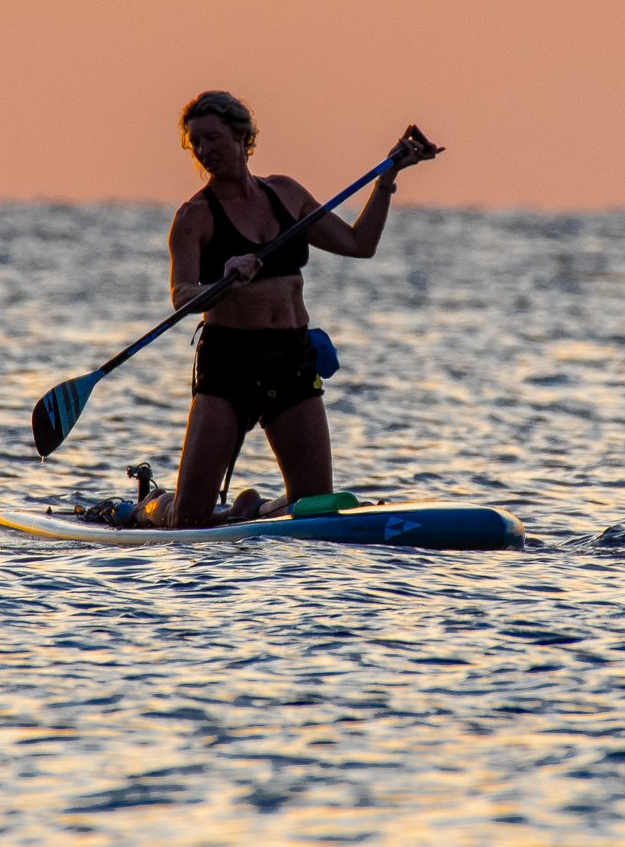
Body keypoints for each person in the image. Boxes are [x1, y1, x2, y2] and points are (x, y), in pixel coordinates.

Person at [133, 92, 437, 529]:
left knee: (314, 506)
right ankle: (156, 502)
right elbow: (182, 297)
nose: (204, 151)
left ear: (242, 137)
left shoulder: (287, 194)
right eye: (195, 142)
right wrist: (222, 280)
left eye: (213, 138)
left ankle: (251, 511)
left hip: (290, 359)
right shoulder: (194, 217)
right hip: (229, 364)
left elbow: (359, 244)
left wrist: (387, 179)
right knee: (189, 519)